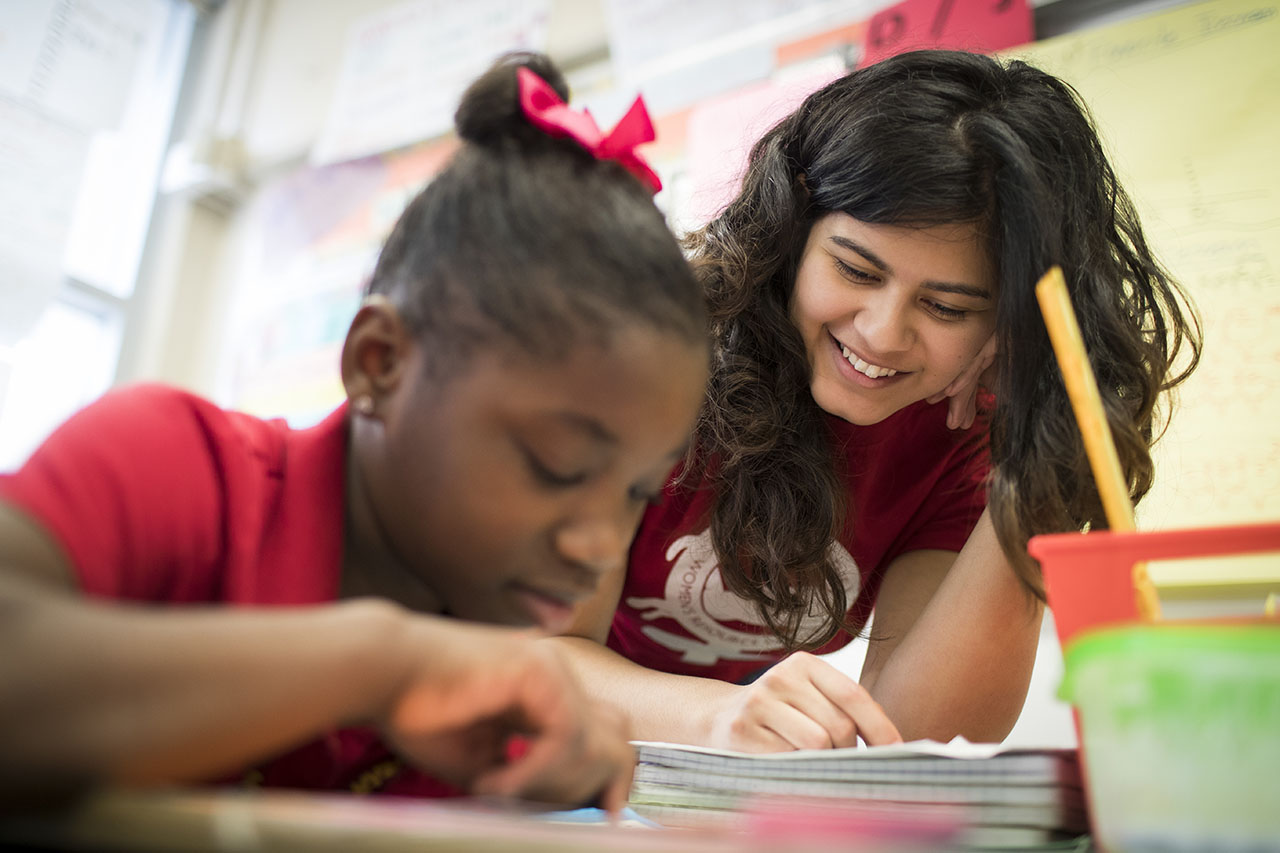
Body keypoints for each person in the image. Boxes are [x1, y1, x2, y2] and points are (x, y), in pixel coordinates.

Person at [0, 52, 709, 810]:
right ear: (379, 363)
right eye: (556, 465)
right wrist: (386, 664)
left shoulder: (499, 697)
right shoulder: (179, 464)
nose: (601, 546)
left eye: (637, 490)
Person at [550, 49, 1202, 752]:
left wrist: (1035, 456)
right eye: (856, 268)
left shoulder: (963, 432)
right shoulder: (637, 362)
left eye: (948, 307)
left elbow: (920, 733)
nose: (882, 334)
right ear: (792, 229)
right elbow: (530, 655)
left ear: (1006, 319)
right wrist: (711, 717)